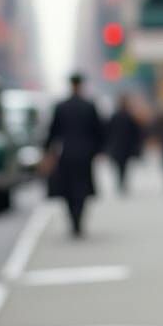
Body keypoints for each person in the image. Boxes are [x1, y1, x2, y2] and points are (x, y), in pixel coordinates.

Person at [43, 72, 105, 237]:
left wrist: (47, 152)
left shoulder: (61, 106)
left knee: (68, 189)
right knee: (82, 189)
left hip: (66, 153)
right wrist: (99, 151)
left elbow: (52, 132)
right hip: (85, 154)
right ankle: (79, 220)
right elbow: (98, 131)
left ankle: (73, 221)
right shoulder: (89, 106)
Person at [105, 93, 143, 193]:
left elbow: (108, 131)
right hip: (125, 145)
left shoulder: (115, 116)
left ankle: (121, 182)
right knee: (123, 165)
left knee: (120, 165)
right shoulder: (129, 116)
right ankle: (122, 182)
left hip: (118, 145)